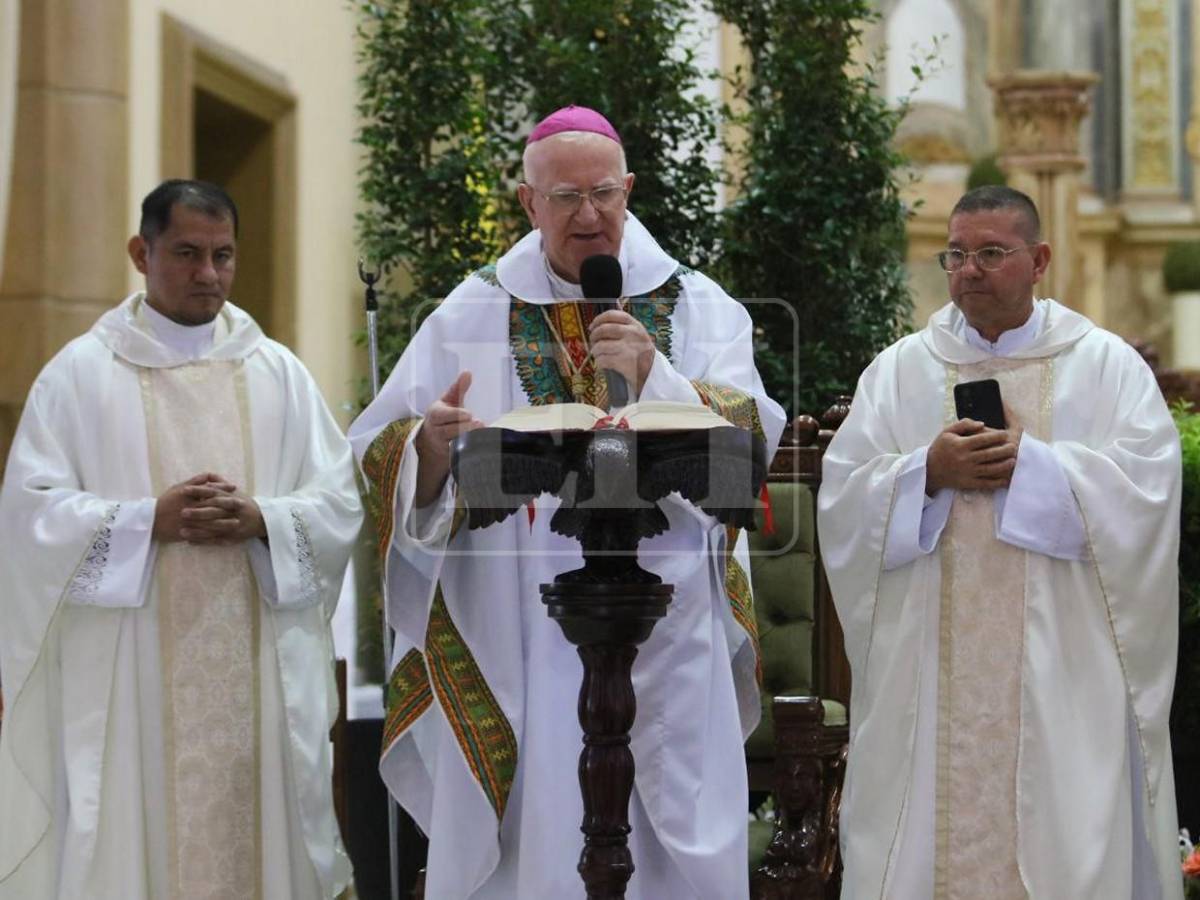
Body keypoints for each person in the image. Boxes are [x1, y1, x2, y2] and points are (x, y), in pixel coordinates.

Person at [349, 105, 786, 899]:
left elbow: (751, 445)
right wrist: (431, 448)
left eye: (604, 194)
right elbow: (378, 447)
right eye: (564, 199)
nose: (589, 216)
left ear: (630, 190)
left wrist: (660, 378)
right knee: (534, 830)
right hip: (514, 625)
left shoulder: (699, 306)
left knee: (668, 825)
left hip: (666, 616)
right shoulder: (469, 312)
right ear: (527, 202)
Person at [0, 179, 363, 899]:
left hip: (257, 674)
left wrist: (264, 519)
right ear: (142, 252)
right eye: (188, 253)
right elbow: (29, 516)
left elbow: (337, 503)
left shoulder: (278, 373)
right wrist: (144, 522)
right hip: (129, 678)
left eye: (223, 255)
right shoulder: (78, 375)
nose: (209, 274)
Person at [817, 185, 1182, 899]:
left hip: (1062, 670)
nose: (969, 270)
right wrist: (925, 471)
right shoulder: (900, 371)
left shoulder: (1105, 366)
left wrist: (1035, 466)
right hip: (928, 667)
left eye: (991, 253)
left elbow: (1147, 493)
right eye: (956, 254)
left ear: (1040, 259)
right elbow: (843, 496)